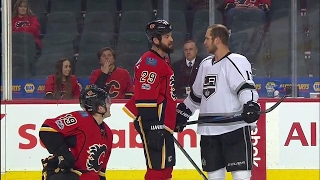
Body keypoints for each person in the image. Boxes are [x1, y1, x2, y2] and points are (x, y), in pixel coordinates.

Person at [175, 24, 261, 180]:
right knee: (214, 177)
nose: (204, 42)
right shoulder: (205, 64)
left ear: (217, 40)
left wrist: (250, 105)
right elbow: (196, 97)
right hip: (209, 132)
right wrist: (182, 114)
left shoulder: (236, 61)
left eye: (207, 38)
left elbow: (246, 88)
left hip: (234, 129)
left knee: (241, 177)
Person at [122, 19, 179, 180]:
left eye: (170, 35)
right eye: (167, 36)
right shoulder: (150, 61)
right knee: (157, 170)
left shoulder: (161, 60)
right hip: (154, 122)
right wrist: (152, 125)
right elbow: (144, 96)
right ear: (155, 40)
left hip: (161, 122)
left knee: (166, 168)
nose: (171, 39)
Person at [39, 85, 113, 180]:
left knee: (92, 177)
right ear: (99, 108)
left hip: (82, 176)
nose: (110, 104)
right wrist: (64, 154)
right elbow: (47, 129)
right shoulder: (81, 118)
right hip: (60, 172)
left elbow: (101, 172)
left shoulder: (108, 133)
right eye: (106, 102)